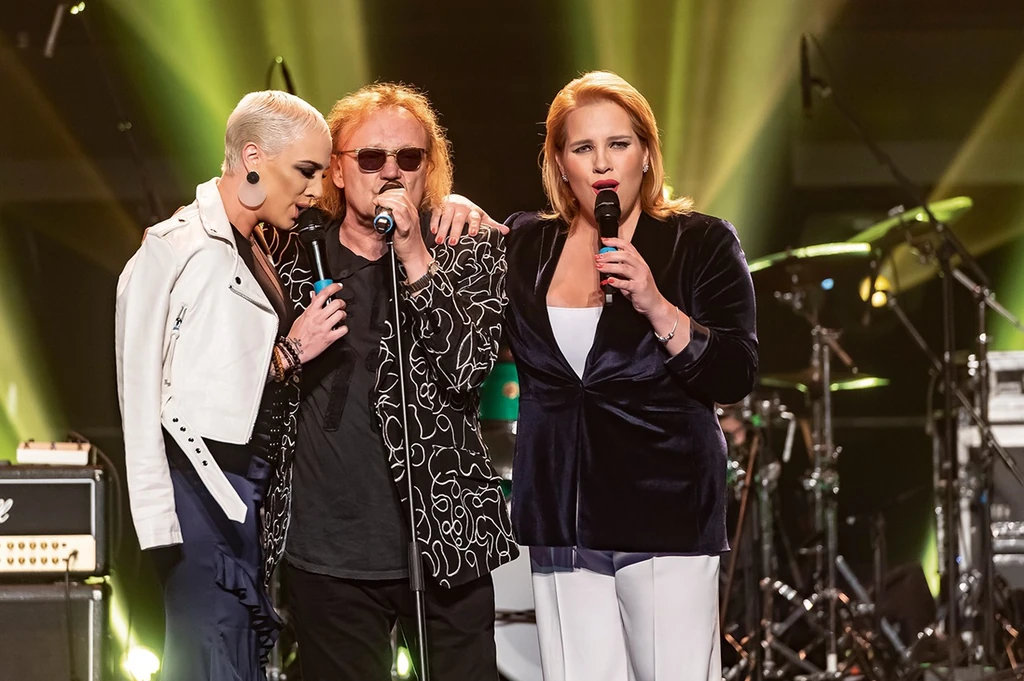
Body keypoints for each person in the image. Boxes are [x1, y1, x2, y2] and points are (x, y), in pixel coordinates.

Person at [502, 71, 759, 681]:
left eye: (618, 144)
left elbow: (735, 372)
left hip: (663, 513)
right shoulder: (528, 246)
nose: (602, 164)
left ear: (646, 153)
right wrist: (454, 206)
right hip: (562, 518)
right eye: (582, 148)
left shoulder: (698, 243)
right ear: (560, 164)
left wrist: (656, 303)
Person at [266, 82, 517, 681]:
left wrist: (413, 257)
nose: (390, 172)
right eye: (371, 157)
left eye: (408, 158)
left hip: (447, 537)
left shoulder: (467, 250)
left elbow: (466, 370)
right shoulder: (291, 257)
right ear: (336, 168)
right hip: (327, 550)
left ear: (429, 167)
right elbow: (244, 375)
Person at [115, 91, 352, 680]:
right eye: (305, 171)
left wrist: (457, 205)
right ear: (252, 157)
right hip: (193, 490)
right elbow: (140, 388)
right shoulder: (173, 247)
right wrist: (293, 351)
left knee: (240, 655)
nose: (315, 190)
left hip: (245, 488)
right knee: (210, 652)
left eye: (321, 174)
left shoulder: (259, 246)